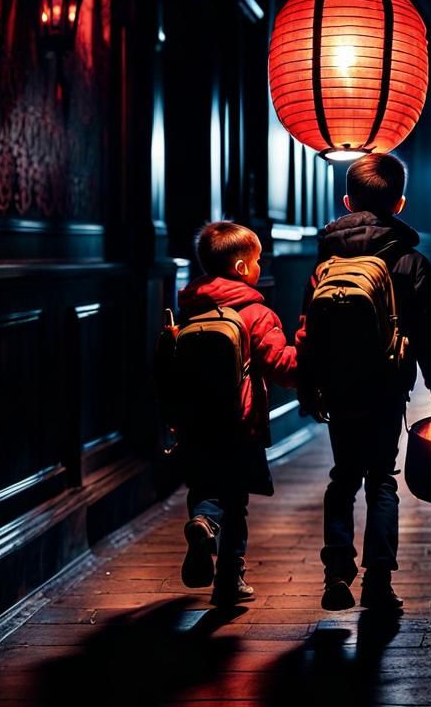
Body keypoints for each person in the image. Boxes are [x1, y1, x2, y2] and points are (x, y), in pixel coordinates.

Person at [296, 153, 431, 613]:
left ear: (347, 201)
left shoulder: (326, 259)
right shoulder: (410, 262)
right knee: (381, 479)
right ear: (400, 203)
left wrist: (310, 387)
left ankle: (335, 573)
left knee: (342, 476)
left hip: (338, 387)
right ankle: (379, 582)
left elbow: (308, 328)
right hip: (387, 386)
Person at [176, 221, 297, 606]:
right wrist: (309, 359)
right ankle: (229, 578)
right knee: (235, 500)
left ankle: (202, 521)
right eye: (258, 260)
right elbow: (281, 364)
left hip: (194, 423)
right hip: (239, 423)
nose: (261, 267)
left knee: (204, 487)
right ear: (243, 268)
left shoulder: (190, 307)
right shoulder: (254, 313)